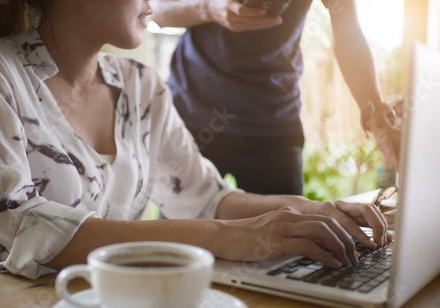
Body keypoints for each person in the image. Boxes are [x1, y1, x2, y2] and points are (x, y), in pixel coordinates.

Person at [0, 0, 390, 281]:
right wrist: (228, 238)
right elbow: (16, 226)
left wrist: (308, 210)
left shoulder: (141, 85)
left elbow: (207, 198)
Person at [151, 0, 402, 195]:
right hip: (194, 116)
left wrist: (376, 112)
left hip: (274, 123)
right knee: (180, 248)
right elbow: (156, 9)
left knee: (287, 246)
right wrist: (211, 8)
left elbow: (348, 34)